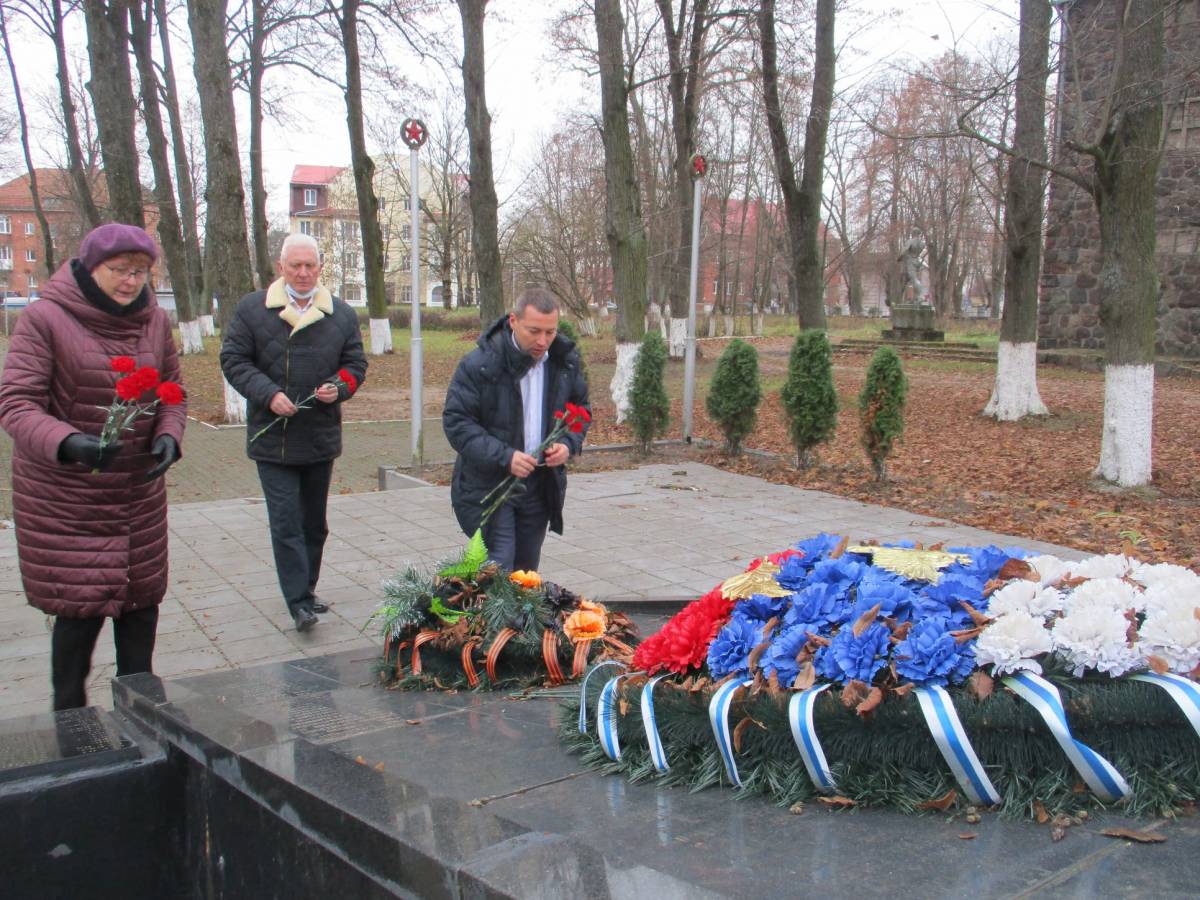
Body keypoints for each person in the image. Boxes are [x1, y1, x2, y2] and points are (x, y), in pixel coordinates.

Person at [0, 223, 186, 710]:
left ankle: (143, 716)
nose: (130, 282)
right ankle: (70, 721)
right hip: (68, 499)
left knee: (140, 605)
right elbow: (16, 405)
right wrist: (69, 443)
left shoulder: (154, 321)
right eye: (119, 270)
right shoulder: (45, 319)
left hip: (136, 497)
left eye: (141, 272)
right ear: (88, 267)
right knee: (78, 611)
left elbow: (172, 390)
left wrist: (169, 434)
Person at [220, 233, 367, 632]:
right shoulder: (253, 310)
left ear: (321, 268)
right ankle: (298, 601)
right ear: (280, 267)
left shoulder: (341, 314)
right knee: (285, 521)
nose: (303, 273)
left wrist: (338, 387)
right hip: (272, 437)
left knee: (313, 524)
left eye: (310, 266)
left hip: (319, 437)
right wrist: (268, 395)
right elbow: (233, 360)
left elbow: (356, 366)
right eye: (294, 266)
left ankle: (308, 588)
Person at [443, 287, 590, 572]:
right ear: (513, 321)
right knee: (498, 569)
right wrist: (505, 457)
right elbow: (456, 422)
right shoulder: (480, 364)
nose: (543, 341)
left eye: (550, 332)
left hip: (539, 486)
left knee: (525, 574)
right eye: (534, 331)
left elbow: (581, 410)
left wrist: (568, 445)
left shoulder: (564, 363)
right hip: (491, 486)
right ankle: (491, 617)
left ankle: (520, 619)